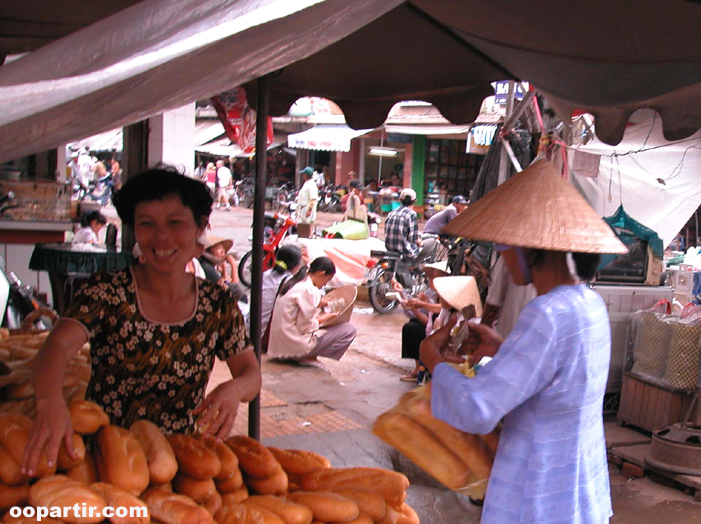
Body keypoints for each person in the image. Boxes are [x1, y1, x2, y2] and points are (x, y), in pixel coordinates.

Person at [419, 160, 625, 524]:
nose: (499, 253)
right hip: (574, 482)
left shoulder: (546, 313)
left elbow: (478, 408)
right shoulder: (589, 304)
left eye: (505, 244)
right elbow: (559, 380)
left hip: (536, 489)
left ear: (532, 248)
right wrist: (503, 350)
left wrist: (432, 359)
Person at [21, 168, 262, 476]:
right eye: (147, 224)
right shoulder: (106, 292)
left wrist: (234, 388)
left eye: (175, 223)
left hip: (180, 460)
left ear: (200, 226)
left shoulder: (217, 304)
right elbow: (54, 349)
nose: (161, 237)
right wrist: (50, 402)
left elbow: (250, 372)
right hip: (105, 457)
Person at [268, 257, 357, 365]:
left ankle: (303, 354)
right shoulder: (310, 290)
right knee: (349, 329)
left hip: (278, 345)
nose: (324, 285)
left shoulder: (295, 281)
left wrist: (319, 304)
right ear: (321, 274)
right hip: (293, 346)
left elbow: (295, 310)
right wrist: (322, 319)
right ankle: (307, 356)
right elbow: (304, 326)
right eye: (326, 280)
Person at [397, 264, 446, 382]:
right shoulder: (431, 293)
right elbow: (425, 319)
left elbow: (441, 311)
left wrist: (423, 304)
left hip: (441, 330)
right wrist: (404, 295)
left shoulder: (445, 295)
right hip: (431, 326)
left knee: (413, 327)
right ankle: (418, 368)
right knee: (411, 325)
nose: (430, 281)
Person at [261, 244, 305, 337]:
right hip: (265, 333)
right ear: (297, 265)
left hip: (251, 325)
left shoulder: (265, 274)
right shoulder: (289, 283)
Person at [384, 188, 436, 263]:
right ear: (415, 201)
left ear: (400, 199)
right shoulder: (411, 214)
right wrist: (420, 243)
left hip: (390, 248)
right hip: (404, 250)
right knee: (432, 242)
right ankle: (413, 265)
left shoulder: (391, 213)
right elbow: (413, 238)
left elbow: (386, 231)